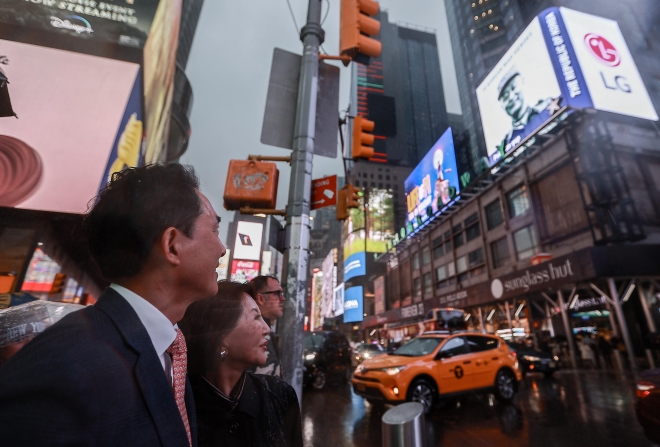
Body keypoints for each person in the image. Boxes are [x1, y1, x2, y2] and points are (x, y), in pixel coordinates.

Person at [0, 164, 226, 446]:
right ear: (172, 245)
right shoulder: (71, 365)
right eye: (215, 230)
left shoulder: (169, 352)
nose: (222, 248)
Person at [179, 281, 302, 447]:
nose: (267, 329)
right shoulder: (180, 401)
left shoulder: (280, 395)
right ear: (221, 335)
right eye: (256, 317)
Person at [496, 70, 558, 158]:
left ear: (523, 83)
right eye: (505, 96)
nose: (511, 97)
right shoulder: (506, 143)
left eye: (514, 87)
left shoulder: (548, 107)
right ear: (502, 106)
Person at [247, 275, 286, 377]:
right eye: (278, 293)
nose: (283, 299)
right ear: (260, 298)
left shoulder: (267, 333)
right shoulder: (250, 335)